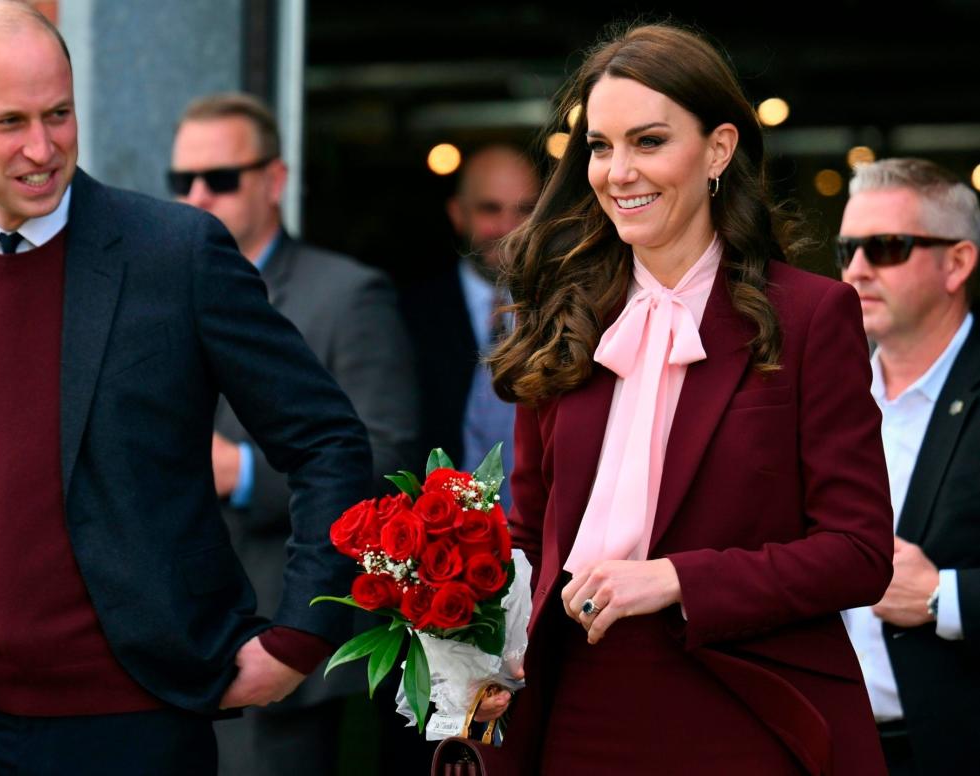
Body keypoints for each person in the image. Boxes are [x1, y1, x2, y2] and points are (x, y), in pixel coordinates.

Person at [0, 3, 370, 773]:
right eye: (10, 122)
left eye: (59, 114)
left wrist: (300, 635)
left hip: (141, 724)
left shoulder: (178, 255)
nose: (41, 147)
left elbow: (327, 441)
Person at [474, 23, 894, 774]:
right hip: (575, 709)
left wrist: (676, 578)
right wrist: (450, 603)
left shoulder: (811, 314)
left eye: (648, 141)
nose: (617, 171)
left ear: (719, 150)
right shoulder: (564, 318)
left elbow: (858, 554)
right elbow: (531, 535)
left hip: (746, 710)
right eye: (600, 146)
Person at [168, 92, 418, 776]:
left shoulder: (347, 295)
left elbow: (387, 461)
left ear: (273, 181)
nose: (195, 196)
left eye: (219, 179)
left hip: (286, 646)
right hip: (166, 652)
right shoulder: (159, 294)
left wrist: (241, 471)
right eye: (180, 181)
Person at [837, 157, 980, 775]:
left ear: (958, 263)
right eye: (847, 249)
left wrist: (943, 598)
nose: (858, 269)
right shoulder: (823, 393)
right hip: (828, 746)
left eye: (887, 247)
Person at [400, 145, 539, 500]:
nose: (508, 227)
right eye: (490, 209)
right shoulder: (406, 315)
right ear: (457, 213)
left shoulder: (568, 311)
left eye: (524, 210)